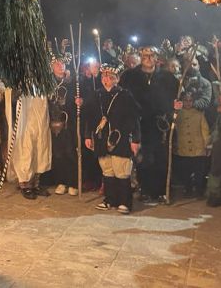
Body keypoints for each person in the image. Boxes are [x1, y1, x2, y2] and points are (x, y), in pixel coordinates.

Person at [120, 46, 178, 204]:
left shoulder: (167, 77)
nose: (148, 58)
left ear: (156, 57)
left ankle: (161, 191)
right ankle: (144, 189)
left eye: (151, 55)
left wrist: (174, 107)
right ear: (140, 56)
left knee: (161, 158)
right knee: (143, 158)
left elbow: (177, 95)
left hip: (160, 124)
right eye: (145, 55)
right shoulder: (130, 76)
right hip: (139, 124)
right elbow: (122, 96)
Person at [83, 63, 141, 214]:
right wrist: (88, 135)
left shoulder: (125, 95)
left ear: (117, 79)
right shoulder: (96, 95)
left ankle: (125, 202)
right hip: (101, 138)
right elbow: (90, 118)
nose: (106, 79)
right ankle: (110, 199)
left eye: (110, 77)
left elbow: (134, 119)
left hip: (120, 138)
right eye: (103, 76)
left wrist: (136, 139)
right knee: (107, 170)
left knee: (121, 170)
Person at [48, 52, 78, 196]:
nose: (60, 66)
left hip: (69, 122)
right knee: (58, 154)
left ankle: (72, 183)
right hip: (54, 122)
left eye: (62, 63)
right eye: (57, 64)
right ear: (52, 66)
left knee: (70, 152)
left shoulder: (72, 81)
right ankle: (61, 182)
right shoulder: (48, 83)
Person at [173, 92, 210, 198]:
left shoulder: (199, 114)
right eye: (186, 100)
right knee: (185, 171)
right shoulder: (177, 114)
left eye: (190, 101)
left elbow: (205, 131)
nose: (188, 103)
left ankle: (199, 190)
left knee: (199, 172)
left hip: (198, 149)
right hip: (183, 148)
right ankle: (187, 189)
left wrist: (207, 145)